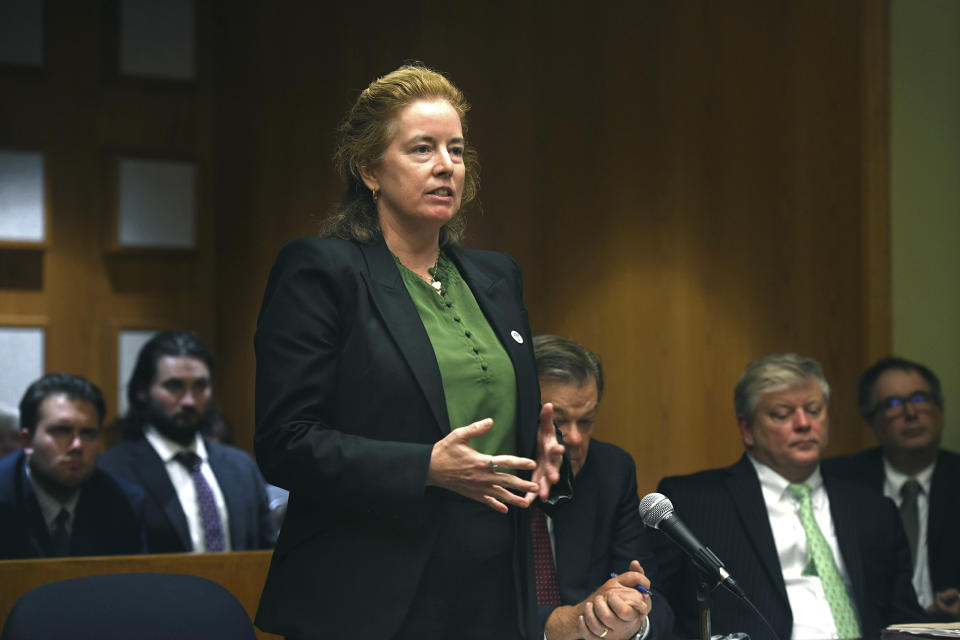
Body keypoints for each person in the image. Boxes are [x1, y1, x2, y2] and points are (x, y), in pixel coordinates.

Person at [253, 64, 567, 640]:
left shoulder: (497, 277)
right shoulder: (323, 272)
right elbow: (286, 442)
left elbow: (507, 423)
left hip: (493, 585)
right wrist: (425, 467)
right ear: (370, 168)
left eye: (456, 149)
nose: (446, 165)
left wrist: (541, 453)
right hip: (372, 594)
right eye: (422, 149)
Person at [653, 353, 925, 639]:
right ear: (747, 429)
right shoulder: (695, 501)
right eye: (782, 414)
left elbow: (905, 619)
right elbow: (658, 607)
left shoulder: (873, 509)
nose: (804, 423)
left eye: (814, 409)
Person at [533, 335, 672, 640]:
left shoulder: (610, 471)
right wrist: (564, 622)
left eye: (586, 422)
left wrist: (632, 619)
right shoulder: (481, 476)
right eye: (558, 422)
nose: (575, 438)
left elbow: (655, 599)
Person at [98, 331, 276, 553]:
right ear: (142, 391)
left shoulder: (241, 467)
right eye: (174, 386)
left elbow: (267, 554)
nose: (189, 401)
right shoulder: (113, 469)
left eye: (200, 386)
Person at [823, 356, 960, 619]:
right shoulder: (838, 481)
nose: (911, 413)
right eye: (893, 404)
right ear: (871, 422)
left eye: (920, 399)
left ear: (941, 412)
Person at [0, 373, 146, 558]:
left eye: (88, 433)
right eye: (61, 430)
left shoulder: (124, 503)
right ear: (27, 441)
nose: (77, 446)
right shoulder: (5, 493)